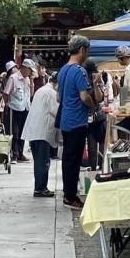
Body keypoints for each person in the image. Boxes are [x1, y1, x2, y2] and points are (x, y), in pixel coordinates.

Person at [57, 36, 96, 210]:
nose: (88, 54)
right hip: (77, 121)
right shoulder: (79, 71)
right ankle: (71, 196)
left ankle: (68, 193)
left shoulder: (63, 70)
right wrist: (93, 106)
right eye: (87, 50)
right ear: (82, 49)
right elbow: (84, 96)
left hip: (66, 120)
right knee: (73, 160)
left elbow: (59, 97)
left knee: (68, 159)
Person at [22, 72, 59, 197]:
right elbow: (57, 112)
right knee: (43, 161)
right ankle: (40, 188)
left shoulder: (41, 90)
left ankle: (39, 186)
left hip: (35, 131)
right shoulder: (51, 93)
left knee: (39, 161)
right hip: (42, 132)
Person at [2, 58, 34, 163]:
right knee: (14, 133)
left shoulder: (28, 79)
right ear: (24, 68)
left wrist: (32, 81)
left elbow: (31, 94)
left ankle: (20, 153)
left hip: (25, 108)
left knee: (22, 133)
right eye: (30, 70)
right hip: (14, 108)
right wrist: (7, 105)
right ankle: (14, 154)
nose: (30, 72)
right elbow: (6, 94)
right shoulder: (13, 78)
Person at [83, 57, 107, 173]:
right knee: (92, 148)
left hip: (99, 117)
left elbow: (99, 99)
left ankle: (102, 168)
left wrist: (96, 83)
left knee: (102, 145)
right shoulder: (83, 82)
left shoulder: (98, 81)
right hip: (89, 119)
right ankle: (93, 170)